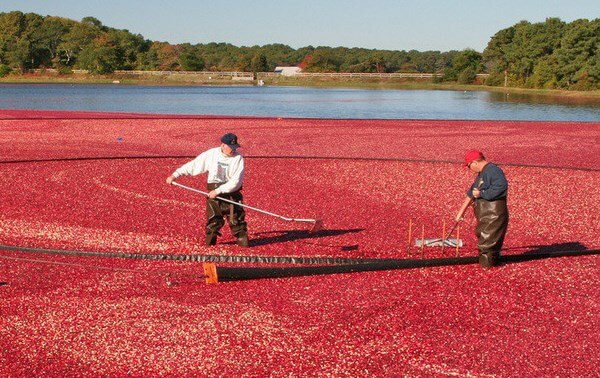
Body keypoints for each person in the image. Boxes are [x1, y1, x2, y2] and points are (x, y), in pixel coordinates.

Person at [166, 133, 249, 247]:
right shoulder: (211, 154)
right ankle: (210, 244)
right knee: (213, 220)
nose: (233, 150)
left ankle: (243, 243)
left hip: (232, 194)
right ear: (223, 145)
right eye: (231, 147)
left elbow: (236, 181)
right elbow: (194, 165)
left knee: (237, 220)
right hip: (213, 193)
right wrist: (175, 175)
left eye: (235, 148)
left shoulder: (238, 158)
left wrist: (218, 191)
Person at [456, 150, 508, 268]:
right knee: (485, 238)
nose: (470, 170)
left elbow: (501, 187)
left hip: (493, 214)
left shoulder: (493, 171)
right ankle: (490, 264)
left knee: (488, 242)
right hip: (486, 215)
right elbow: (471, 194)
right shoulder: (482, 174)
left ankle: (487, 266)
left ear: (474, 162)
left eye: (469, 166)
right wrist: (461, 212)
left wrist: (482, 194)